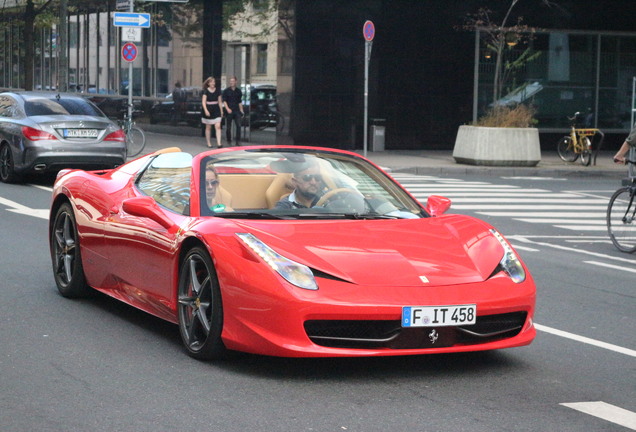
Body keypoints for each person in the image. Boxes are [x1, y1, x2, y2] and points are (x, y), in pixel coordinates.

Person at [201, 77, 223, 148]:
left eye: (214, 82)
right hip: (208, 109)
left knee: (218, 126)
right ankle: (209, 143)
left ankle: (219, 143)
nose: (213, 83)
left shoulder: (218, 91)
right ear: (208, 83)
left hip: (216, 109)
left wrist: (221, 111)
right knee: (208, 127)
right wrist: (206, 110)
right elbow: (203, 102)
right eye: (211, 82)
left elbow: (220, 102)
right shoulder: (205, 91)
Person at [222, 76, 244, 144]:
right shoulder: (226, 91)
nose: (231, 82)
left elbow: (239, 101)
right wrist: (227, 108)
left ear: (236, 82)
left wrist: (241, 110)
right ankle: (229, 139)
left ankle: (238, 141)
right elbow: (224, 101)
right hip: (229, 110)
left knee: (239, 125)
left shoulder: (238, 91)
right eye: (230, 81)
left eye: (233, 81)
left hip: (237, 110)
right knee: (228, 127)